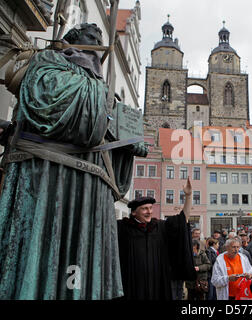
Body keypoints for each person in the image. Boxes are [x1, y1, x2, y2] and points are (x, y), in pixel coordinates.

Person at [0, 23, 146, 299]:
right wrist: (107, 106)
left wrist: (130, 140)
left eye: (100, 38)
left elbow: (107, 136)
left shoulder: (103, 87)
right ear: (72, 40)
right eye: (91, 37)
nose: (97, 43)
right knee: (42, 253)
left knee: (78, 265)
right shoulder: (50, 61)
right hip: (48, 178)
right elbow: (47, 98)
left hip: (89, 192)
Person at [117, 178, 196, 299]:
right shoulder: (123, 228)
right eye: (144, 209)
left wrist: (188, 195)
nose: (149, 212)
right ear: (133, 212)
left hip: (157, 285)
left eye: (150, 208)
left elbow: (182, 219)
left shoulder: (160, 227)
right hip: (132, 285)